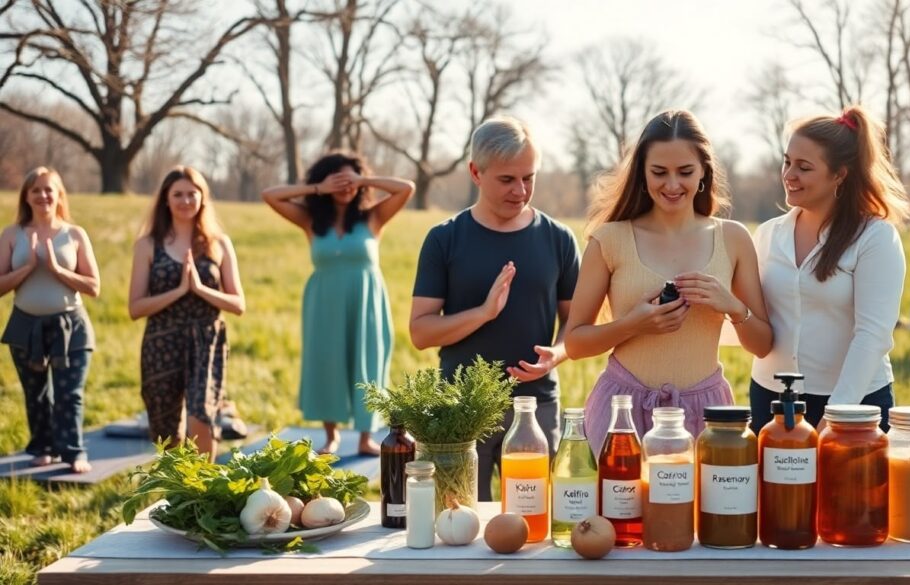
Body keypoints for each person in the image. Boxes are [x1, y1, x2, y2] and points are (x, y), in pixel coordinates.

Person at [563, 110, 773, 453]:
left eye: (685, 172)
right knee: (617, 508)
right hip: (622, 412)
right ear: (642, 174)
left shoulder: (733, 239)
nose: (672, 185)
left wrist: (732, 306)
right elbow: (574, 344)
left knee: (706, 509)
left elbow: (763, 344)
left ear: (704, 170)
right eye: (659, 172)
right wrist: (633, 324)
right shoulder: (610, 240)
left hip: (707, 414)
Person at [410, 116, 580, 501]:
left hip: (535, 406)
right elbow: (420, 332)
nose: (520, 191)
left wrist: (557, 353)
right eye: (507, 180)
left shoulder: (559, 240)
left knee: (538, 522)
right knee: (458, 521)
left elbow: (576, 321)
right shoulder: (444, 239)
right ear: (475, 172)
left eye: (529, 177)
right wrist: (484, 313)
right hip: (460, 408)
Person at [749, 106, 910, 434]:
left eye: (804, 167)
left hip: (854, 405)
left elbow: (873, 335)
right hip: (771, 399)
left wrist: (836, 415)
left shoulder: (875, 237)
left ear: (839, 174)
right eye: (787, 161)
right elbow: (756, 318)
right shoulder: (767, 234)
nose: (789, 174)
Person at [263, 152, 414, 456]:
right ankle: (330, 436)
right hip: (324, 303)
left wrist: (364, 179)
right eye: (339, 180)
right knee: (326, 364)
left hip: (367, 303)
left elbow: (406, 188)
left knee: (367, 362)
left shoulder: (373, 217)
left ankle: (365, 437)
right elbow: (270, 195)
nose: (346, 187)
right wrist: (318, 188)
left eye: (351, 181)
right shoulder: (311, 221)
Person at [129, 166, 245, 460]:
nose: (185, 201)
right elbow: (135, 307)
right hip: (161, 341)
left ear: (203, 198)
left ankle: (204, 491)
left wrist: (199, 289)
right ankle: (178, 494)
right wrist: (179, 291)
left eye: (192, 194)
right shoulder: (147, 245)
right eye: (177, 194)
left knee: (202, 418)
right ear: (165, 200)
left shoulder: (219, 243)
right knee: (165, 430)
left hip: (206, 339)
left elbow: (237, 304)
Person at [0, 167, 99, 473]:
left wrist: (58, 270)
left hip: (70, 327)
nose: (43, 196)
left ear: (59, 195)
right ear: (26, 197)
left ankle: (73, 451)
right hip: (26, 326)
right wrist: (27, 267)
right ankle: (42, 446)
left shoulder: (74, 234)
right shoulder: (12, 234)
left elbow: (94, 286)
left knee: (70, 394)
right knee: (36, 392)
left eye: (48, 190)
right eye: (36, 190)